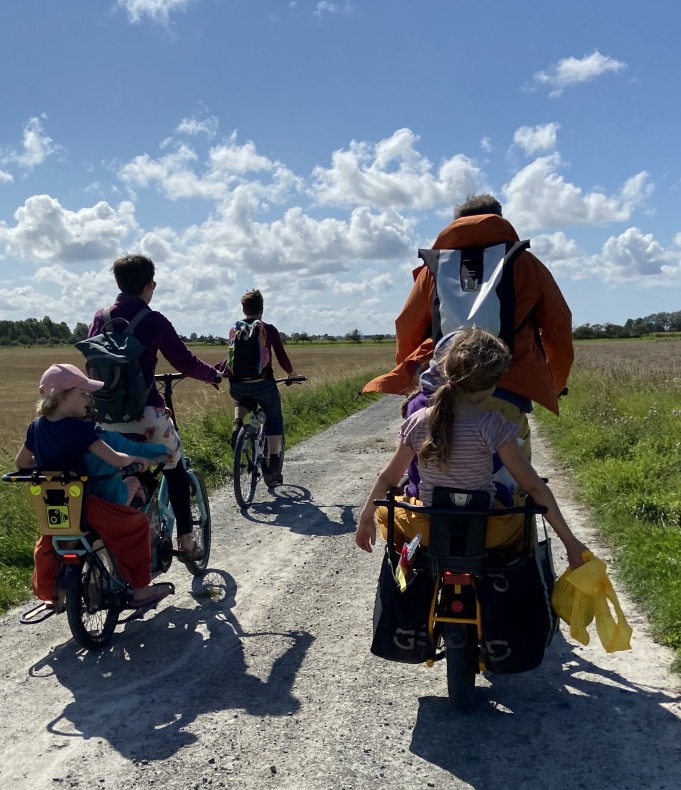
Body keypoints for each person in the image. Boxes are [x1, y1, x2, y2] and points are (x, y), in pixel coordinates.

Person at [354, 327, 588, 572]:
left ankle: (409, 570)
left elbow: (389, 477)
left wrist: (366, 518)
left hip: (428, 530)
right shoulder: (495, 425)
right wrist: (570, 542)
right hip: (487, 532)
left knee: (387, 511)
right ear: (493, 383)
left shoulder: (418, 420)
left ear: (447, 370)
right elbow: (533, 487)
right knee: (522, 521)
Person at [362, 193, 574, 461]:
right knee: (516, 481)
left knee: (433, 467)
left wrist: (414, 377)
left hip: (442, 386)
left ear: (455, 226)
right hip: (509, 386)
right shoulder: (525, 264)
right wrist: (554, 384)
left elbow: (407, 328)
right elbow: (558, 329)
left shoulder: (434, 268)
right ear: (500, 219)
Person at [87, 254, 221, 561]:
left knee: (117, 469)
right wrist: (212, 375)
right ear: (151, 284)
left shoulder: (100, 317)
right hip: (146, 414)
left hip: (105, 417)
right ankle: (187, 544)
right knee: (175, 469)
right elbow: (184, 361)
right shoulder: (153, 320)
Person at [17, 363, 173, 610]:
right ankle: (141, 591)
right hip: (86, 502)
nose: (88, 398)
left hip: (56, 505)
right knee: (134, 527)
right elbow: (116, 459)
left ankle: (52, 596)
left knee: (51, 542)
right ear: (63, 396)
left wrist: (50, 463)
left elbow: (22, 462)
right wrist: (138, 460)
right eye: (83, 393)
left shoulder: (36, 427)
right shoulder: (80, 429)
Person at [222, 288, 301, 487]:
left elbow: (231, 358)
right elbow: (282, 357)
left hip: (238, 385)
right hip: (264, 386)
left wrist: (216, 372)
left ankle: (238, 422)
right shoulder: (268, 329)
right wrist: (291, 374)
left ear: (243, 309)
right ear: (262, 309)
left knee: (242, 399)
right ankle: (274, 462)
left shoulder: (235, 329)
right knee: (274, 418)